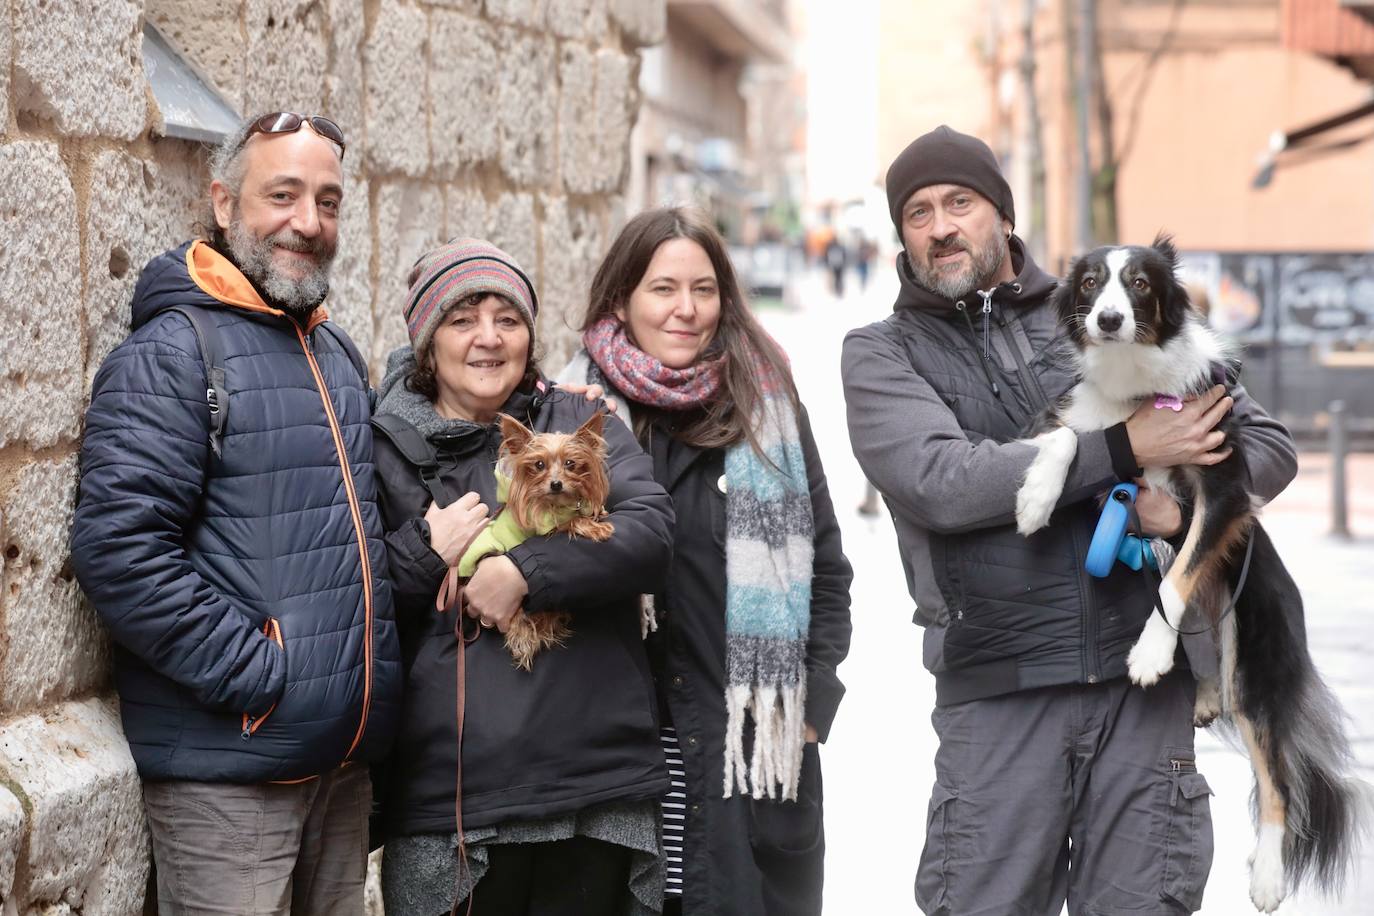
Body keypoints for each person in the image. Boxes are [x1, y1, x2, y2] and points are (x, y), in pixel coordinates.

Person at [840, 125, 1298, 915]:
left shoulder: (1105, 311)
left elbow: (1266, 446)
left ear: (1003, 216)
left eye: (961, 202)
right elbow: (941, 484)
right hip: (1000, 694)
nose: (942, 225)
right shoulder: (882, 354)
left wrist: (1184, 504)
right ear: (902, 235)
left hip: (1142, 690)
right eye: (918, 212)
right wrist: (1125, 447)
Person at [70, 111, 401, 914]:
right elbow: (119, 549)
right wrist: (264, 679)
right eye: (281, 195)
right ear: (224, 203)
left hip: (339, 770)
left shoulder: (332, 351)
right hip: (231, 779)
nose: (307, 222)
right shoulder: (174, 351)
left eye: (327, 202)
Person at [560, 206, 854, 916]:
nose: (686, 310)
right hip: (620, 758)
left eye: (703, 289)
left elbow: (827, 568)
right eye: (663, 289)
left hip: (751, 757)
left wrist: (809, 706)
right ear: (622, 300)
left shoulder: (767, 408)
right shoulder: (570, 415)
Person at [370, 238, 674, 915]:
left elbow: (650, 534)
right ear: (427, 342)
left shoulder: (579, 423)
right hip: (457, 795)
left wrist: (524, 570)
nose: (488, 338)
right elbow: (358, 591)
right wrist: (427, 549)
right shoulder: (382, 446)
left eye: (507, 319)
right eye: (462, 319)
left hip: (591, 784)